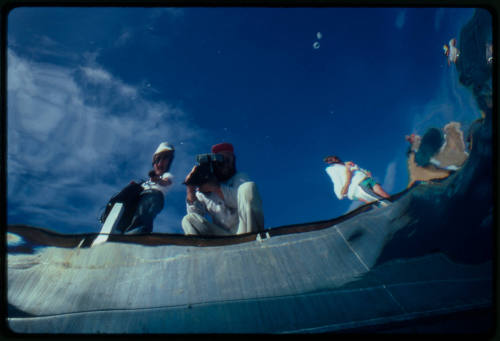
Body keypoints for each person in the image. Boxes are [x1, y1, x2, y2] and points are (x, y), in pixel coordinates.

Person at [182, 142, 264, 236]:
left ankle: (253, 239)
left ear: (234, 161)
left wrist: (216, 188)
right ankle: (205, 249)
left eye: (229, 159)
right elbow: (196, 215)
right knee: (188, 220)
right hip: (222, 237)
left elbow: (241, 200)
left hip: (245, 230)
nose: (226, 164)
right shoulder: (203, 188)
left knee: (248, 187)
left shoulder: (240, 178)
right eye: (221, 160)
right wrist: (190, 188)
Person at [122, 142, 175, 234]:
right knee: (133, 214)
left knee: (143, 215)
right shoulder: (146, 182)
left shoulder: (167, 175)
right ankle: (126, 233)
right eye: (158, 160)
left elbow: (166, 182)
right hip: (141, 197)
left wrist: (158, 180)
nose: (160, 163)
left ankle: (137, 234)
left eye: (165, 158)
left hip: (153, 196)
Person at [324, 155, 390, 205]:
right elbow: (336, 181)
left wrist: (366, 172)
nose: (333, 159)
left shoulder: (348, 163)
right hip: (357, 186)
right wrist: (340, 192)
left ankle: (396, 205)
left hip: (366, 179)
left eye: (334, 157)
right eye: (329, 160)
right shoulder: (331, 169)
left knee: (384, 194)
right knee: (378, 201)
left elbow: (359, 169)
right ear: (328, 162)